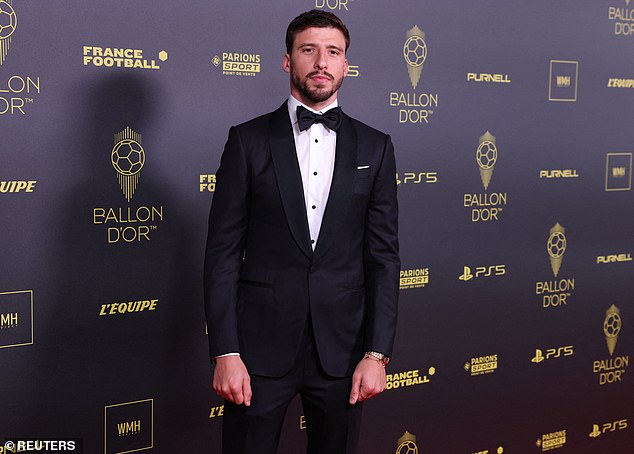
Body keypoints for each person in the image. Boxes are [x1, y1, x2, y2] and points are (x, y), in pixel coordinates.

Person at [203, 9, 400, 454]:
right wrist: (226, 352)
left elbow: (384, 258)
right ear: (287, 60)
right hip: (256, 354)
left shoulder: (376, 146)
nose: (321, 62)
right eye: (308, 50)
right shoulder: (247, 140)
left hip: (343, 353)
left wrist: (377, 353)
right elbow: (222, 253)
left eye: (333, 52)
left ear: (346, 64)